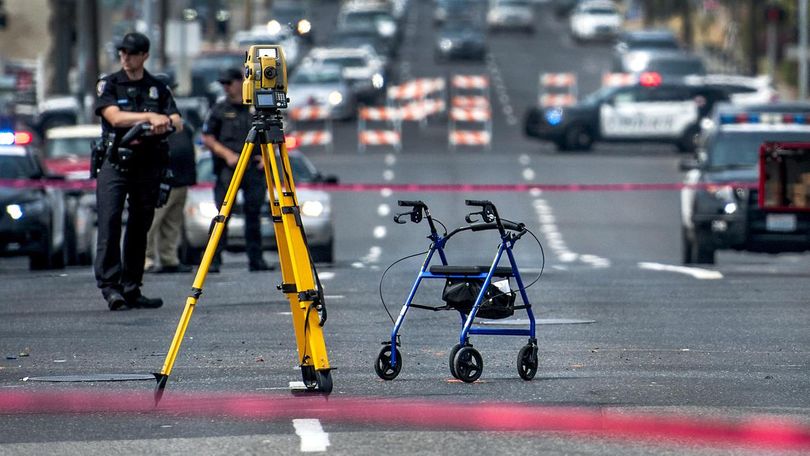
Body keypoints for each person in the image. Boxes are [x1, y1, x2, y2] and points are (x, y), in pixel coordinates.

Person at [94, 32, 183, 310]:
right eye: (122, 52)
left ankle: (132, 286)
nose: (125, 57)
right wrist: (148, 116)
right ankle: (111, 287)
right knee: (109, 221)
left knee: (139, 226)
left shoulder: (157, 87)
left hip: (148, 163)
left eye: (131, 53)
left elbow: (177, 121)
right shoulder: (110, 84)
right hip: (116, 162)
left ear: (144, 55)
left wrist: (164, 122)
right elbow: (114, 117)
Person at [201, 67, 272, 273]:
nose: (226, 88)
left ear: (241, 82)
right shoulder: (219, 109)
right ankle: (213, 260)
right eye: (223, 84)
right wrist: (226, 154)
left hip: (252, 168)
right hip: (229, 168)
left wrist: (266, 157)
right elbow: (207, 137)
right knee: (222, 215)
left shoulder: (256, 107)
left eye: (229, 83)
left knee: (253, 214)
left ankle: (256, 259)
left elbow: (273, 132)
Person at [145, 73, 197, 274]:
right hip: (160, 180)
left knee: (172, 222)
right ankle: (145, 259)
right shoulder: (151, 116)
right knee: (152, 222)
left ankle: (169, 257)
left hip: (181, 178)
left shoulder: (176, 115)